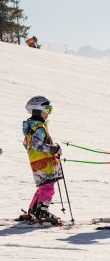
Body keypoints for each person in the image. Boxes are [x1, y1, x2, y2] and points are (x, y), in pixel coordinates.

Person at [20, 96, 63, 224]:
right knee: (48, 188)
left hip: (36, 163)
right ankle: (42, 213)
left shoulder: (31, 127)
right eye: (47, 109)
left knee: (42, 187)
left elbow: (26, 144)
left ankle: (33, 210)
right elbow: (36, 145)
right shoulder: (39, 127)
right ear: (38, 110)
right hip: (45, 164)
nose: (49, 113)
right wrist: (53, 149)